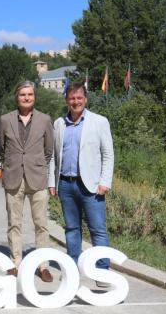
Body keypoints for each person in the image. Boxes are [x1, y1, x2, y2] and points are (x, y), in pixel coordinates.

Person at [48, 82, 114, 288]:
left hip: (92, 186)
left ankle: (102, 272)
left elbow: (108, 154)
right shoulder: (59, 123)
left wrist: (105, 182)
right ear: (66, 100)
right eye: (71, 98)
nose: (75, 102)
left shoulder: (99, 122)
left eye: (79, 98)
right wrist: (52, 182)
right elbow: (52, 156)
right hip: (66, 185)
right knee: (71, 229)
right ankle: (72, 270)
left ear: (85, 99)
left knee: (98, 230)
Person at [0, 81, 54, 282]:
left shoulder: (45, 120)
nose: (27, 98)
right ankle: (15, 263)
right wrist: (14, 164)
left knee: (41, 224)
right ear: (17, 97)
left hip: (37, 177)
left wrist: (36, 164)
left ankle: (43, 266)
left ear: (34, 97)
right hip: (13, 178)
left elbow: (49, 150)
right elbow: (2, 149)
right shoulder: (5, 120)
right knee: (14, 223)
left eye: (30, 94)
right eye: (23, 94)